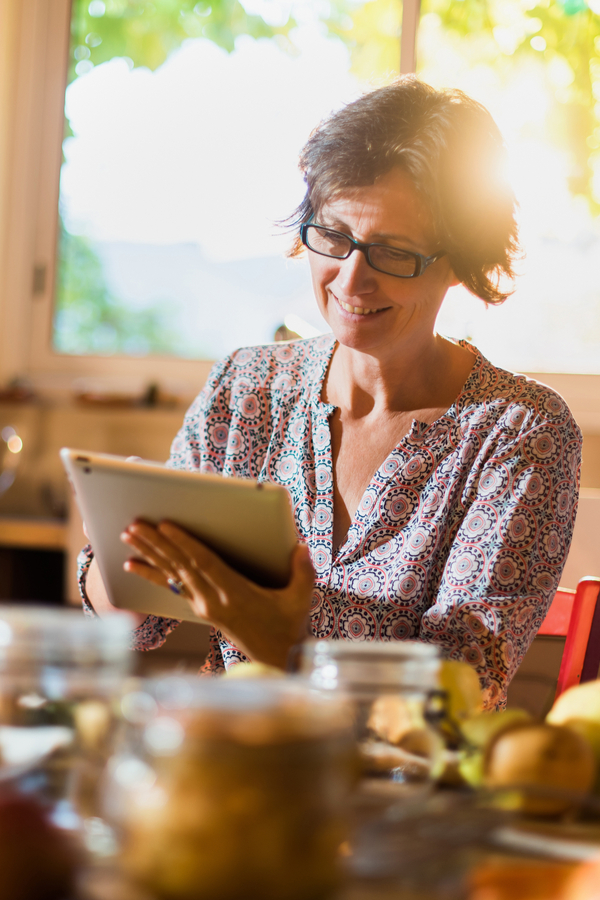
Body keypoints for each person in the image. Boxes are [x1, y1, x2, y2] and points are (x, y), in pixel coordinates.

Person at [79, 77, 581, 710]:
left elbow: (463, 685)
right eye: (335, 237)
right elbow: (144, 624)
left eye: (393, 252)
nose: (352, 278)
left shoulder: (518, 431)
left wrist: (288, 635)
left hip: (409, 791)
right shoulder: (246, 389)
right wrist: (121, 561)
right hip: (233, 761)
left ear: (460, 261)